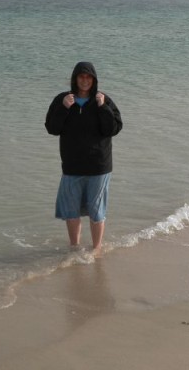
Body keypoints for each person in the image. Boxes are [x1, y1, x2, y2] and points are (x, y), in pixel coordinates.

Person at [45, 62, 123, 252]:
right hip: (72, 166)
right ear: (75, 79)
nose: (85, 81)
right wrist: (64, 108)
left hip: (99, 166)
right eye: (81, 77)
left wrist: (103, 107)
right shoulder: (62, 100)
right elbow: (52, 128)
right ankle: (74, 249)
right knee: (71, 212)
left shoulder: (103, 100)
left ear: (94, 80)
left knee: (97, 212)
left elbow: (113, 129)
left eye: (89, 77)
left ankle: (96, 250)